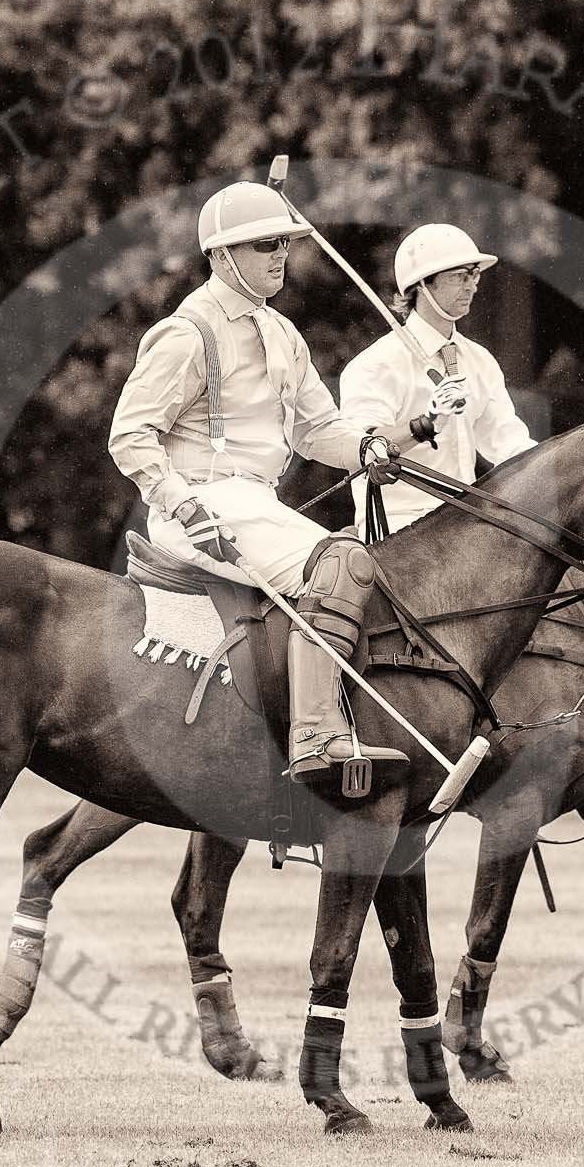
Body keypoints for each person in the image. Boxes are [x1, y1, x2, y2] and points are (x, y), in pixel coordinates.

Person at [108, 180, 467, 785]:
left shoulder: (282, 333)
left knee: (363, 557)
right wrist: (183, 504)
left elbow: (319, 430)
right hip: (197, 506)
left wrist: (385, 440)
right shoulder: (187, 333)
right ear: (223, 256)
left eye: (285, 243)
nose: (281, 255)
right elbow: (130, 435)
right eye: (266, 245)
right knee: (342, 565)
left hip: (254, 504)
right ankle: (316, 736)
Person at [340, 224, 538, 539]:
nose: (472, 286)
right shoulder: (375, 365)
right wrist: (426, 424)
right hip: (400, 533)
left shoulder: (479, 361)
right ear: (423, 284)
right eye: (460, 276)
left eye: (474, 275)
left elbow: (510, 446)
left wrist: (563, 469)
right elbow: (359, 450)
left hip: (468, 528)